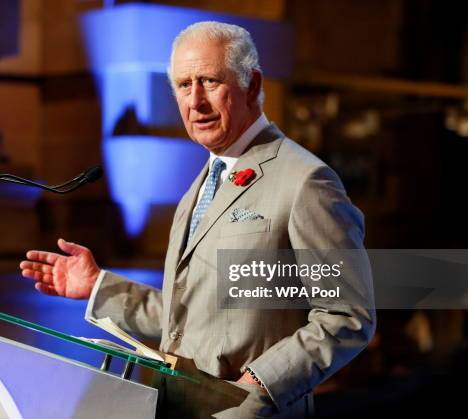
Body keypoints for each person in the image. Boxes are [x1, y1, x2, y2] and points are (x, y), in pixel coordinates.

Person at [20, 21, 375, 418]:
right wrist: (99, 286)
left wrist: (256, 387)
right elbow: (190, 320)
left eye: (208, 80)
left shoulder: (306, 181)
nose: (195, 101)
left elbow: (346, 316)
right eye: (184, 85)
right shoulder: (202, 185)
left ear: (252, 85)